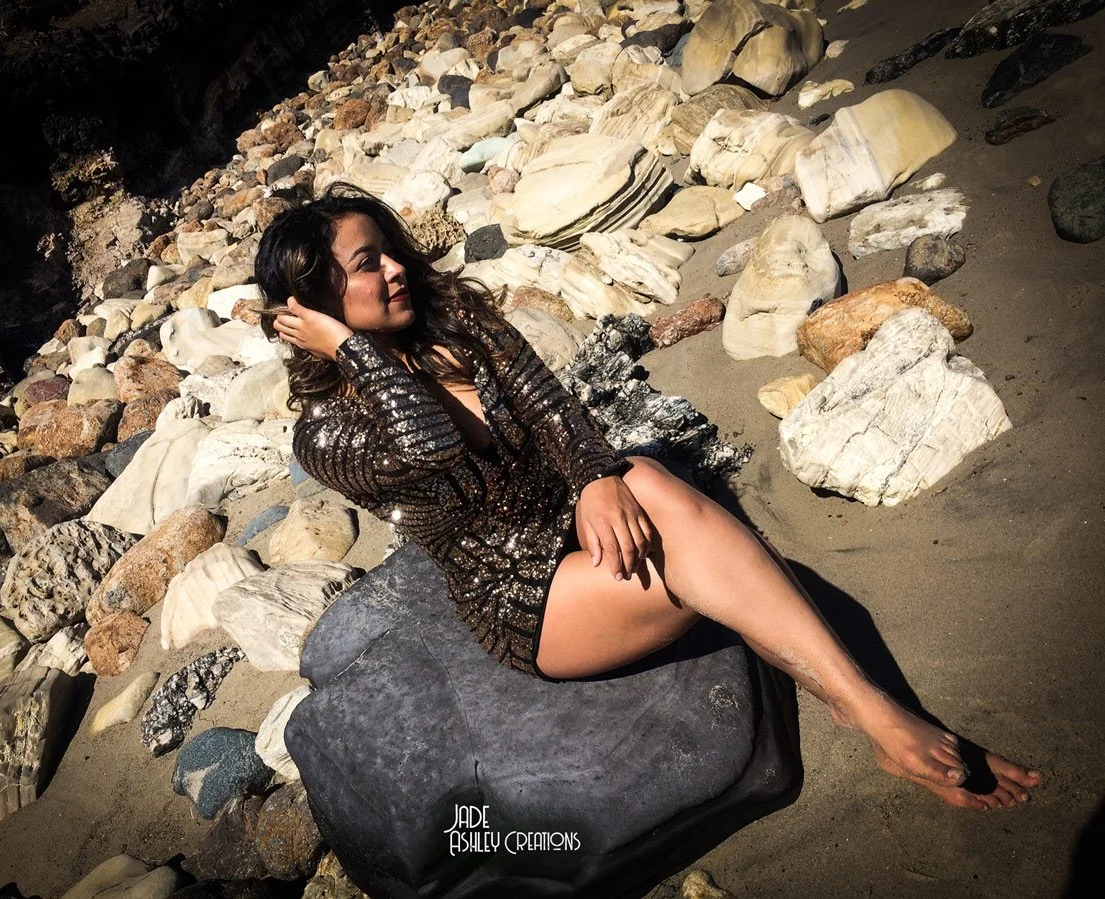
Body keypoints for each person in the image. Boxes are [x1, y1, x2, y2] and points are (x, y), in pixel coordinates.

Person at [255, 183, 1040, 812]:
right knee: (701, 550)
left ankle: (862, 704)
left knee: (646, 479)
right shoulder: (325, 439)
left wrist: (595, 478)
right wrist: (354, 350)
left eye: (388, 250)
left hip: (573, 518)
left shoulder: (452, 317)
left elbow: (552, 407)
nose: (394, 268)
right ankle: (872, 709)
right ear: (314, 303)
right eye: (366, 264)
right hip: (525, 598)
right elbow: (426, 443)